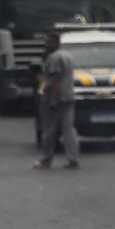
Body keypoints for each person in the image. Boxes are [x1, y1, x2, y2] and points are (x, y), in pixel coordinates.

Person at [33, 32, 80, 170]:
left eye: (50, 42)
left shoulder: (54, 58)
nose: (47, 45)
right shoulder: (67, 55)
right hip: (69, 96)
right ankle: (73, 158)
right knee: (68, 129)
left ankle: (46, 160)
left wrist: (53, 99)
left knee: (49, 130)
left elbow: (55, 79)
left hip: (55, 99)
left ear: (57, 42)